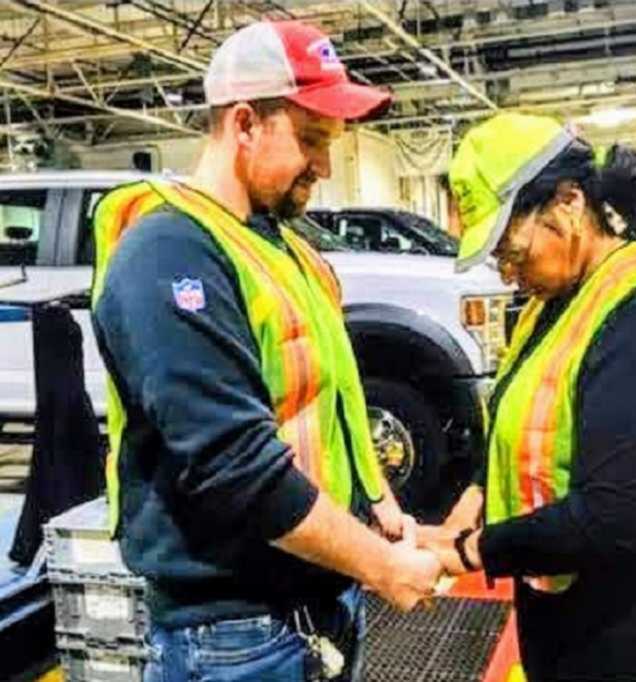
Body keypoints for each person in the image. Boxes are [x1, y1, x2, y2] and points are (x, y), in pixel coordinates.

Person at [90, 21, 441, 682]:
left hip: (318, 605)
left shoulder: (287, 251)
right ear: (244, 123)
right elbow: (233, 466)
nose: (325, 167)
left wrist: (379, 509)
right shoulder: (169, 253)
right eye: (310, 140)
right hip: (235, 635)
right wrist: (382, 565)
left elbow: (328, 401)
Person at [419, 113, 636, 681]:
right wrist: (466, 509)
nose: (508, 274)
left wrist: (467, 552)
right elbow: (520, 432)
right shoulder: (553, 300)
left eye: (511, 253)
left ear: (567, 203)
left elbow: (617, 516)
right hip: (564, 579)